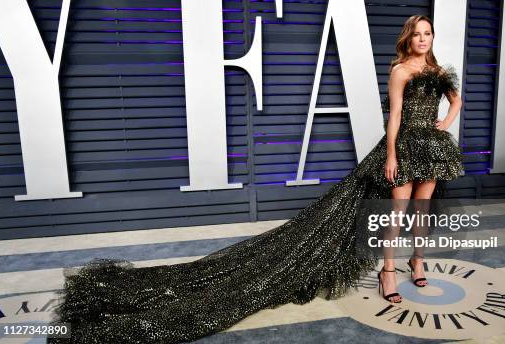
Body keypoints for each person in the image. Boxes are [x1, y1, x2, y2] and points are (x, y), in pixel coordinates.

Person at [46, 14, 464, 344]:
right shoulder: (400, 70)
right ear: (408, 38)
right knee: (396, 210)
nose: (423, 40)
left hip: (432, 145)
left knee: (422, 210)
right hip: (404, 146)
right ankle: (389, 270)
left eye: (428, 34)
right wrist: (391, 154)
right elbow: (392, 115)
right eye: (418, 34)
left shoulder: (438, 69)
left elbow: (456, 97)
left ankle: (417, 260)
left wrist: (445, 122)